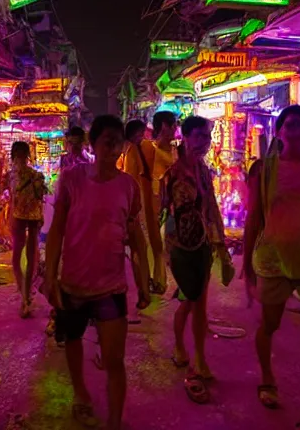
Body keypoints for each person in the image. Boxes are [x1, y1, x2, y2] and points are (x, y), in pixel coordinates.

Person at [43, 115, 152, 429]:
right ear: (94, 144)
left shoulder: (128, 186)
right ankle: (81, 393)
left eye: (118, 142)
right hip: (74, 283)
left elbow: (136, 237)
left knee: (115, 361)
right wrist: (51, 275)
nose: (114, 148)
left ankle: (115, 422)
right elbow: (57, 231)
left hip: (112, 286)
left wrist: (143, 281)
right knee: (73, 341)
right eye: (107, 141)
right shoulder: (71, 179)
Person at [242, 106, 300, 424]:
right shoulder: (264, 170)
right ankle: (267, 378)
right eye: (289, 123)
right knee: (269, 325)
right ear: (279, 131)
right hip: (272, 262)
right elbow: (254, 218)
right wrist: (246, 269)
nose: (295, 129)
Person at [162, 116, 234, 400]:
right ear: (186, 137)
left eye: (207, 136)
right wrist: (163, 254)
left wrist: (222, 244)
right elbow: (163, 214)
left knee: (198, 303)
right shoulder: (172, 174)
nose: (205, 142)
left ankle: (199, 357)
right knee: (191, 299)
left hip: (202, 244)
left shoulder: (204, 172)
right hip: (180, 247)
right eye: (200, 136)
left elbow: (212, 207)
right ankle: (184, 350)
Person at [7, 141, 48, 319]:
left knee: (16, 257)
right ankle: (27, 295)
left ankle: (23, 295)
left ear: (13, 155)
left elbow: (11, 199)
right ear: (28, 155)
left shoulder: (11, 175)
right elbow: (42, 197)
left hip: (18, 217)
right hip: (33, 218)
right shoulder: (36, 175)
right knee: (31, 258)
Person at [140, 112, 179, 296]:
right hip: (154, 202)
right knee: (154, 244)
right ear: (164, 126)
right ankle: (153, 281)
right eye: (173, 125)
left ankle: (160, 280)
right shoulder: (150, 150)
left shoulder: (176, 151)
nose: (175, 129)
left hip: (171, 204)